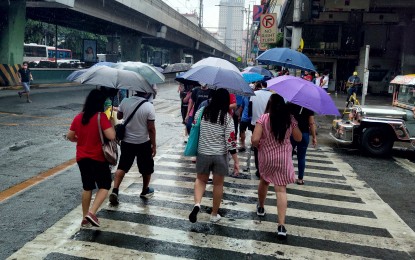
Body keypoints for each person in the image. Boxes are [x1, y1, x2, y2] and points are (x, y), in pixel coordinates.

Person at [252, 94, 302, 240]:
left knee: (264, 181)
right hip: (283, 158)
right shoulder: (289, 119)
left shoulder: (264, 118)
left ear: (270, 104)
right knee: (281, 189)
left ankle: (261, 207)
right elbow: (298, 138)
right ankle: (281, 226)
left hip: (267, 156)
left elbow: (255, 139)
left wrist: (260, 145)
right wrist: (294, 124)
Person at [66, 89, 116, 227]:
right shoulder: (101, 117)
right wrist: (111, 123)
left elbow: (70, 136)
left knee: (87, 187)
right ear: (100, 103)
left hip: (82, 158)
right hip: (98, 158)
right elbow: (111, 136)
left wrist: (80, 140)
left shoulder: (79, 117)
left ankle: (84, 218)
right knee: (105, 185)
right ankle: (92, 213)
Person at [188, 88, 238, 224]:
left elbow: (194, 127)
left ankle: (197, 204)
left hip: (203, 153)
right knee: (218, 185)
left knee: (200, 180)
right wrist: (236, 162)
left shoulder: (201, 112)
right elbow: (231, 141)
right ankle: (214, 214)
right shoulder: (227, 117)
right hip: (220, 156)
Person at [109, 91, 156, 205]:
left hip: (127, 141)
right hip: (143, 142)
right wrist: (154, 145)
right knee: (146, 168)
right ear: (146, 93)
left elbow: (119, 116)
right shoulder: (149, 106)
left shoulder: (125, 101)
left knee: (123, 166)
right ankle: (144, 190)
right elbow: (151, 128)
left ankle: (115, 190)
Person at [249, 81, 272, 178]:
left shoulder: (253, 94)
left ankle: (259, 170)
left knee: (256, 147)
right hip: (269, 124)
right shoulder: (272, 96)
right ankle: (267, 168)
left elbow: (250, 110)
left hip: (255, 123)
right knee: (268, 146)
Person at [289, 104, 317, 185]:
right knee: (301, 157)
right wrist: (314, 137)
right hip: (304, 134)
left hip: (292, 133)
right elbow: (311, 123)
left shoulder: (291, 104)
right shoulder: (309, 106)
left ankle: (287, 176)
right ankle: (300, 179)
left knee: (288, 155)